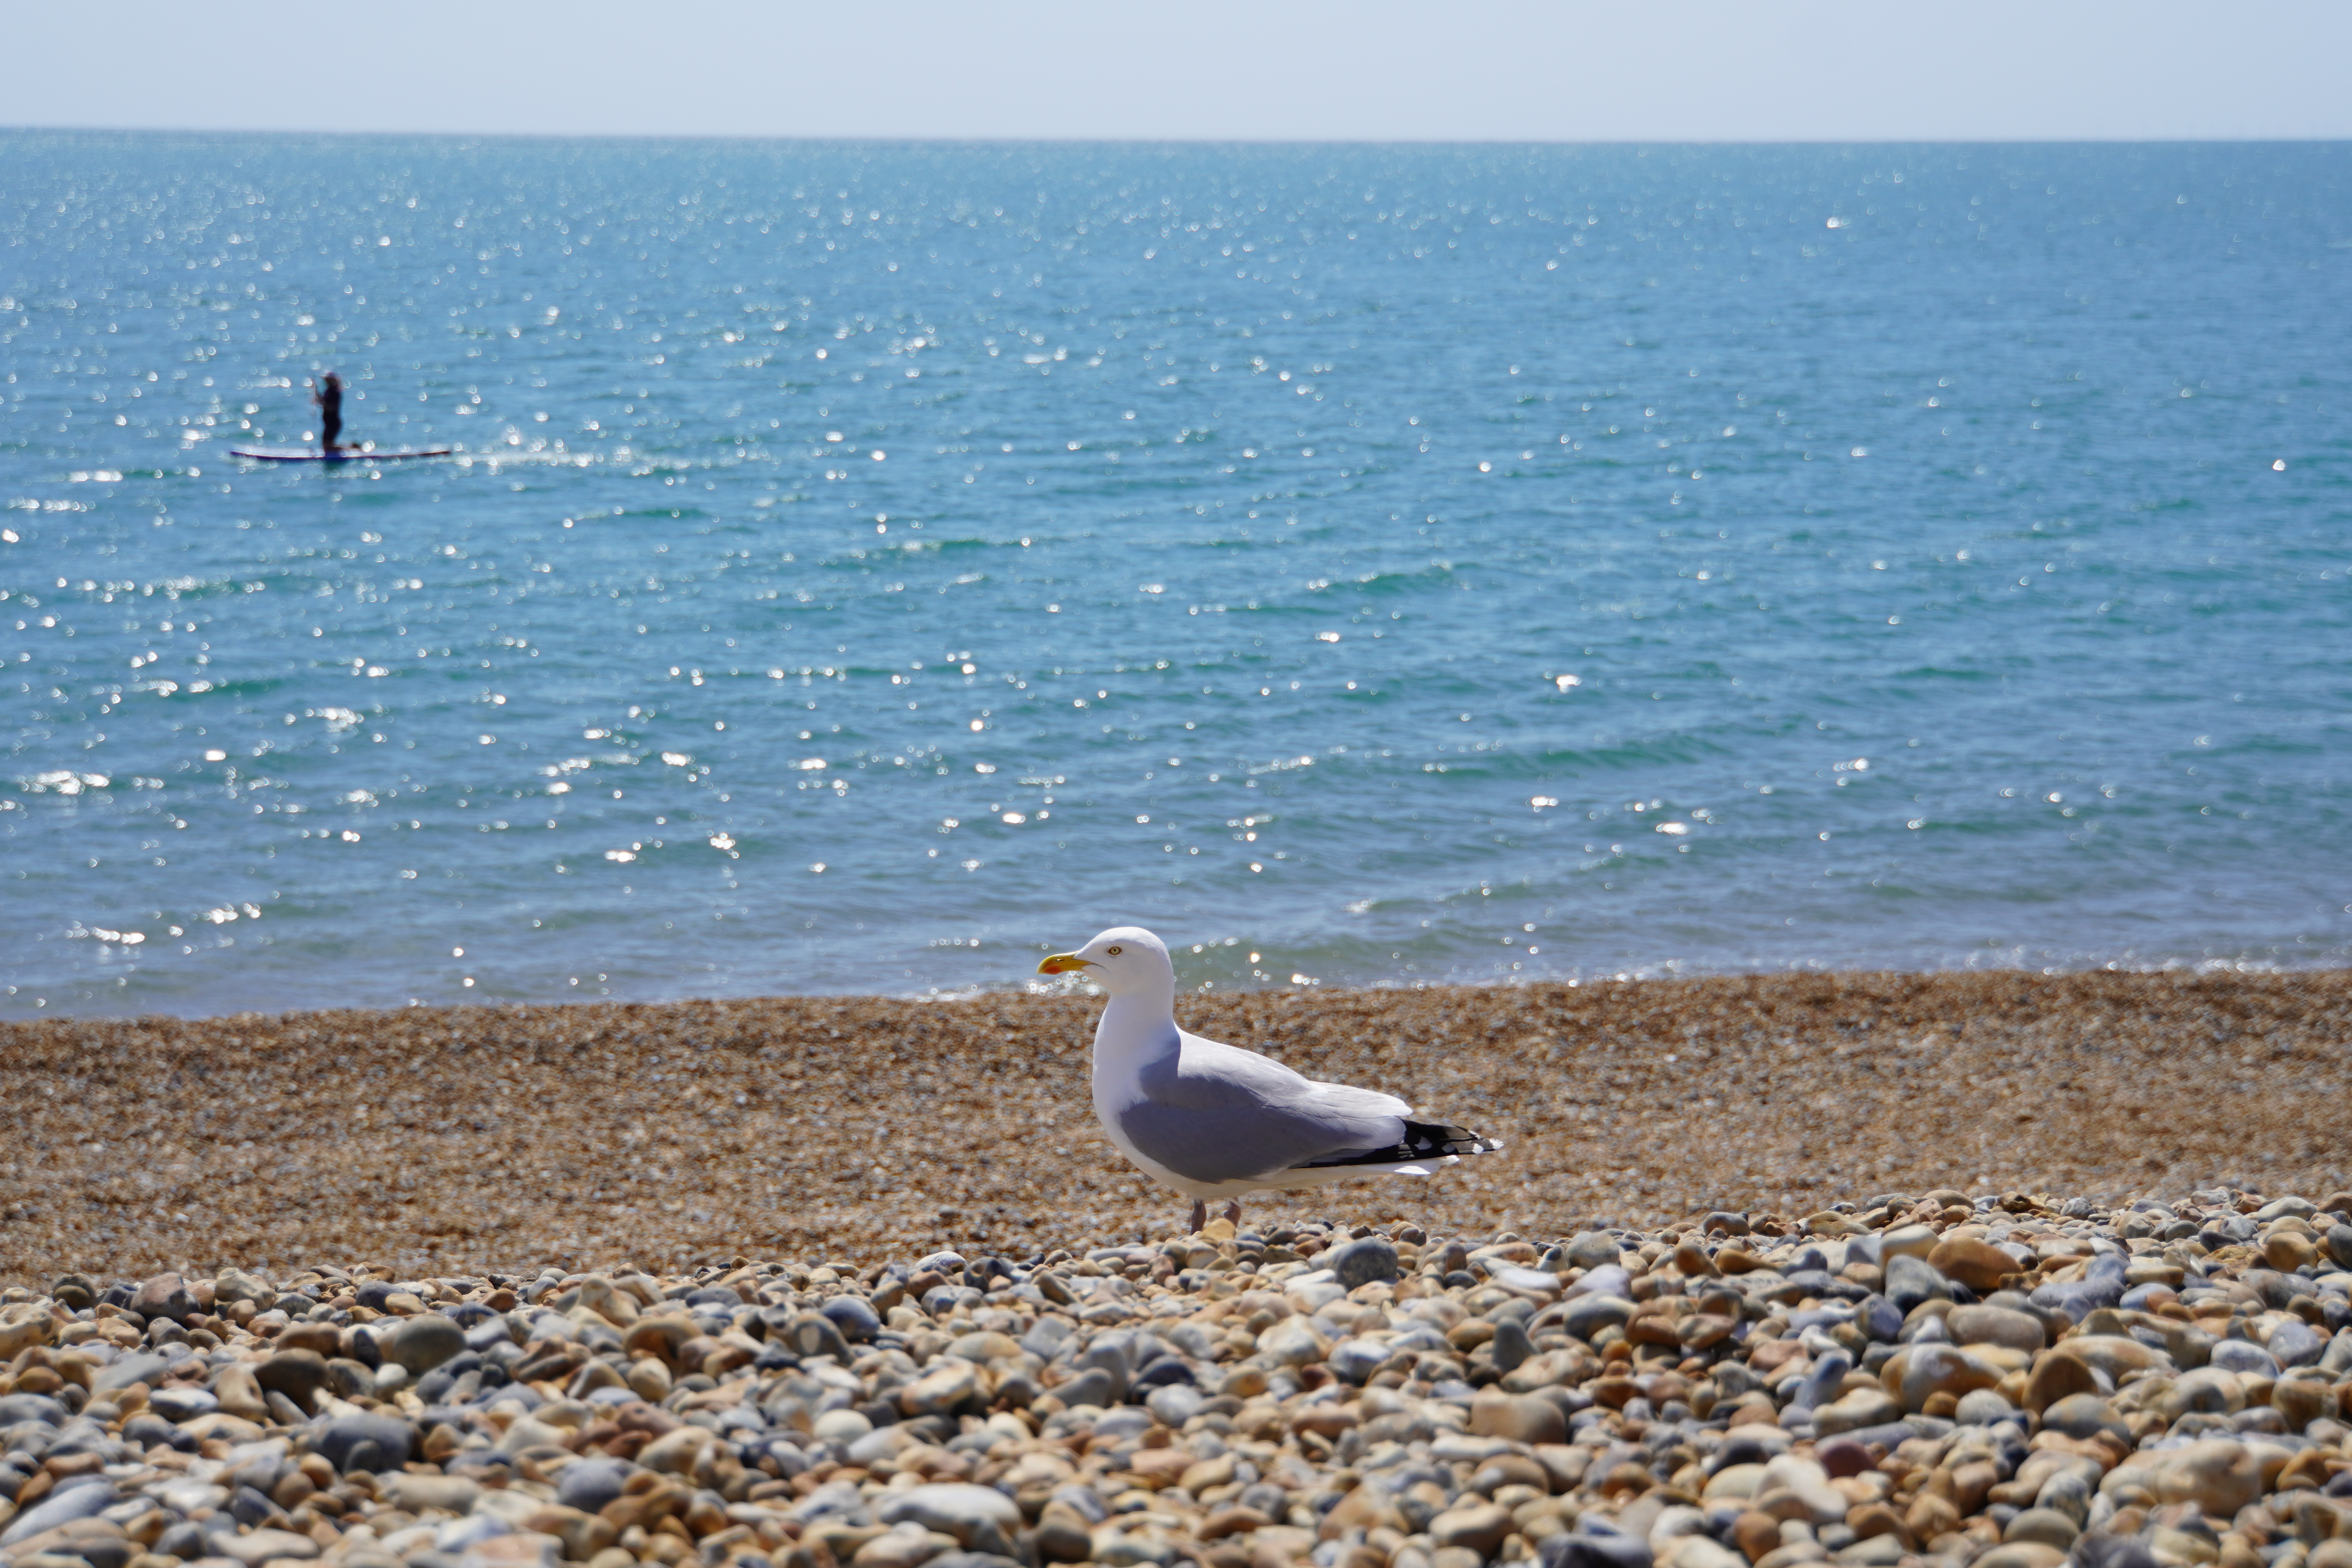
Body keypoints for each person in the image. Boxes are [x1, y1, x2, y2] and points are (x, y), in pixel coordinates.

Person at [312, 373, 344, 453]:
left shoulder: (335, 392)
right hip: (329, 423)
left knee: (328, 446)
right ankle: (348, 447)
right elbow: (323, 402)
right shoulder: (329, 391)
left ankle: (348, 449)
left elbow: (331, 407)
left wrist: (321, 404)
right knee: (326, 446)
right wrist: (316, 391)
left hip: (333, 423)